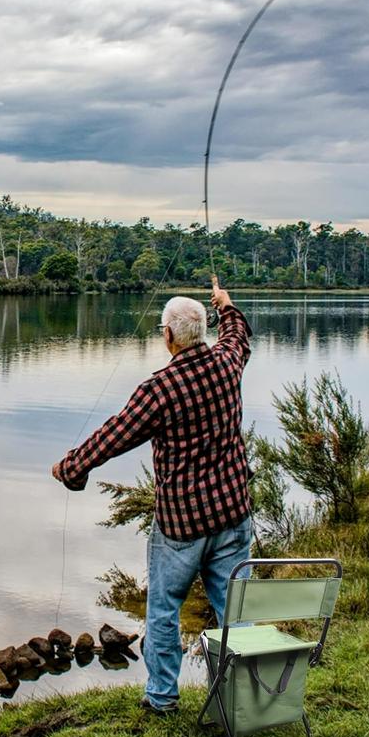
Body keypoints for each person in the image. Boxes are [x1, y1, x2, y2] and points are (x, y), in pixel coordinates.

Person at [52, 277, 253, 714]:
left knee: (163, 610)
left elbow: (114, 436)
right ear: (201, 332)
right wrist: (227, 305)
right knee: (237, 611)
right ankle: (250, 693)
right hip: (234, 515)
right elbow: (238, 336)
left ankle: (162, 697)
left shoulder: (159, 390)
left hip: (181, 525)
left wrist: (71, 468)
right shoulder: (227, 363)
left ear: (168, 336)